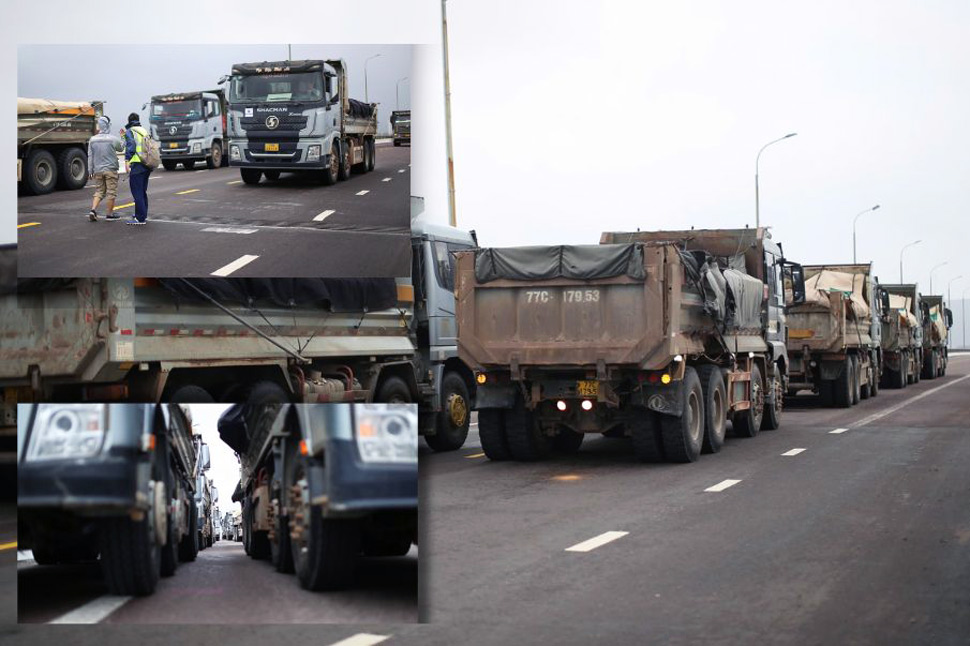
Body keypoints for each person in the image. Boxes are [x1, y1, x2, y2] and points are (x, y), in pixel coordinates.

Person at [86, 116, 124, 221]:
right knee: (111, 192)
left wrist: (90, 171)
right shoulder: (112, 139)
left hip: (98, 170)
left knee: (99, 191)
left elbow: (90, 156)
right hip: (110, 170)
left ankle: (93, 210)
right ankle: (110, 214)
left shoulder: (92, 140)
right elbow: (121, 148)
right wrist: (123, 137)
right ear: (107, 125)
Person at [121, 112, 152, 225]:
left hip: (137, 164)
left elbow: (131, 145)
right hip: (147, 164)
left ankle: (140, 218)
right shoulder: (144, 130)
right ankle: (143, 214)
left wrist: (127, 160)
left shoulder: (131, 131)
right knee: (142, 191)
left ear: (129, 121)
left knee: (137, 192)